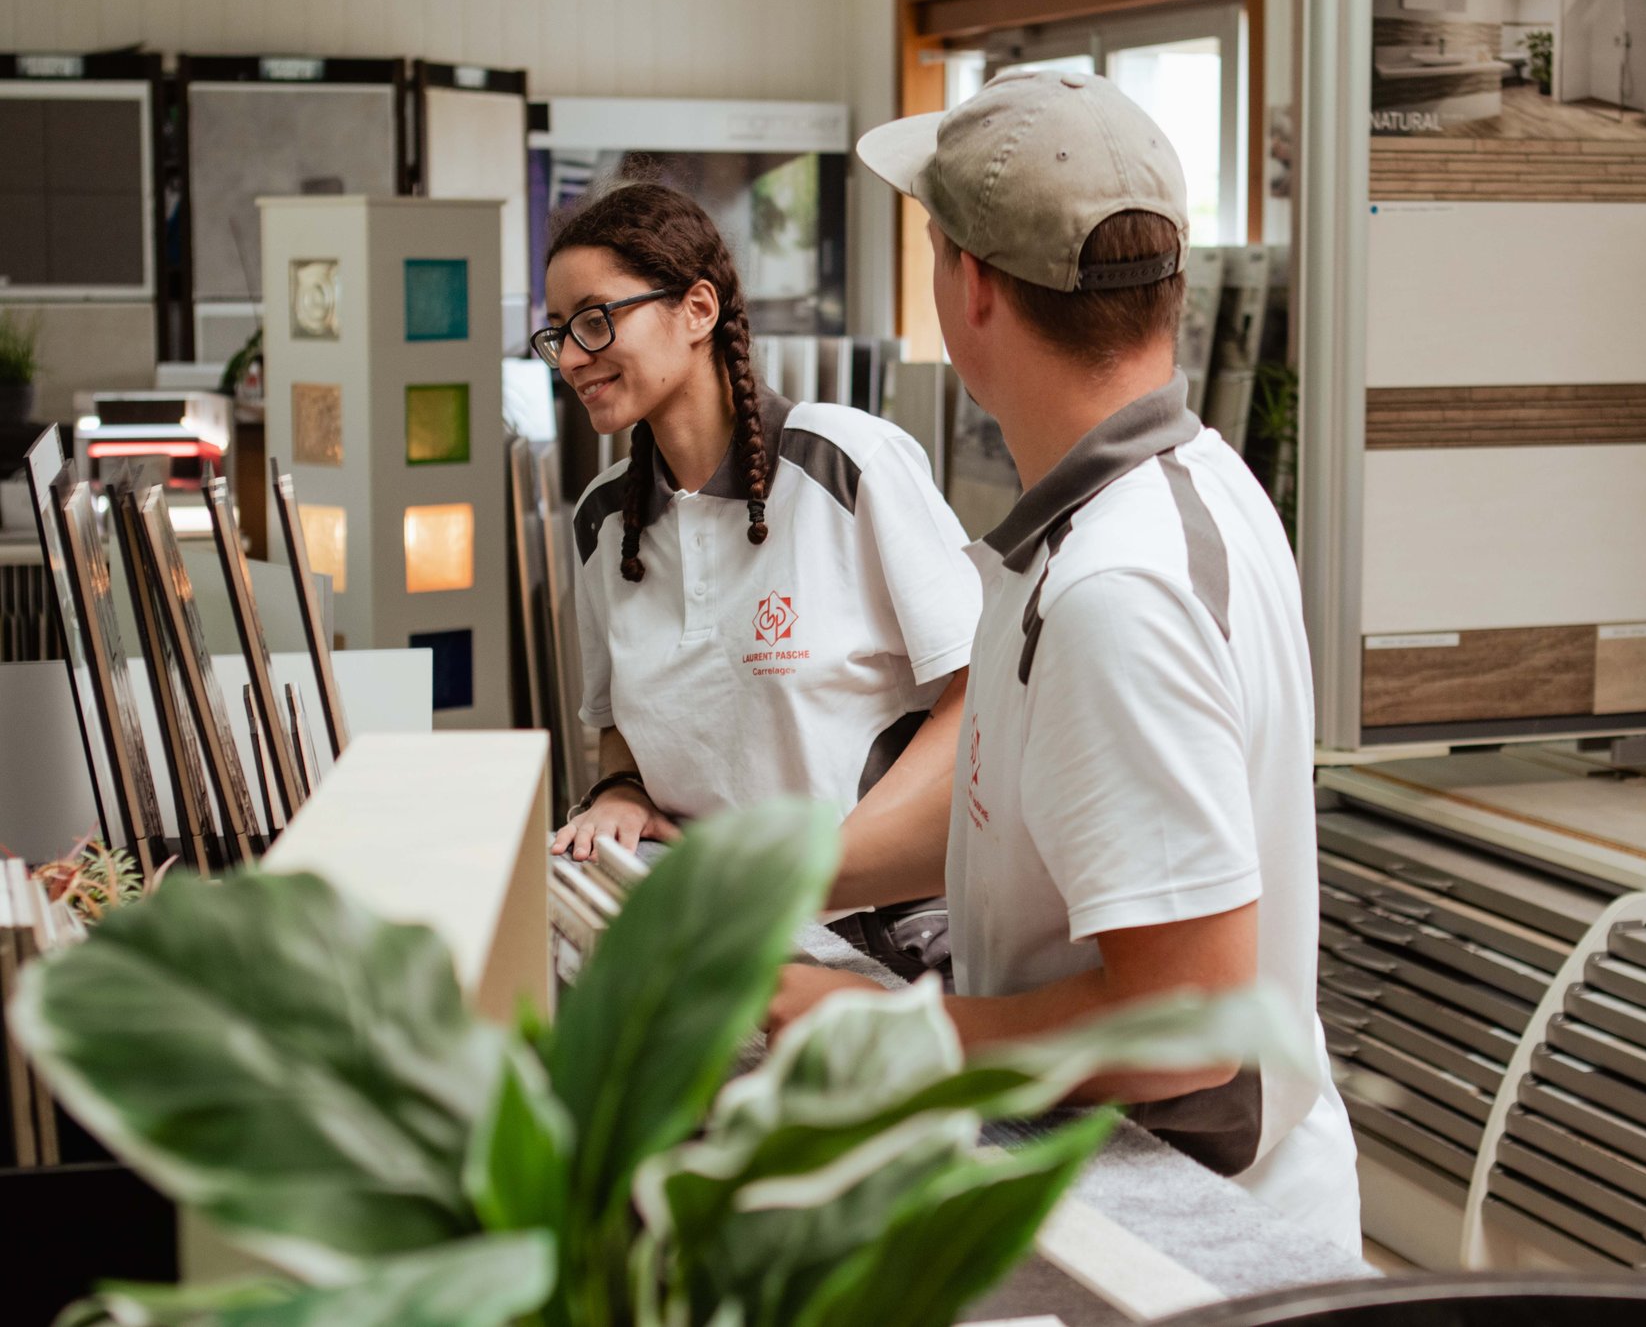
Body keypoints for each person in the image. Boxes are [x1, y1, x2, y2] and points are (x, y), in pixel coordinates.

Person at [767, 71, 1361, 1253]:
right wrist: (770, 894)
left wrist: (892, 1030)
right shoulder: (1165, 492)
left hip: (1180, 1221)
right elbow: (1019, 804)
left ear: (970, 287)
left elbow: (1182, 1025)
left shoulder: (1116, 588)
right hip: (1147, 1180)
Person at [542, 181, 977, 975]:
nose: (572, 356)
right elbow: (619, 732)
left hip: (878, 936)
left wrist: (822, 871)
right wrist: (621, 795)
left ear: (698, 310)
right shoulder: (605, 520)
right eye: (558, 333)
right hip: (711, 930)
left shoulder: (848, 462)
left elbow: (977, 697)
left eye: (596, 320)